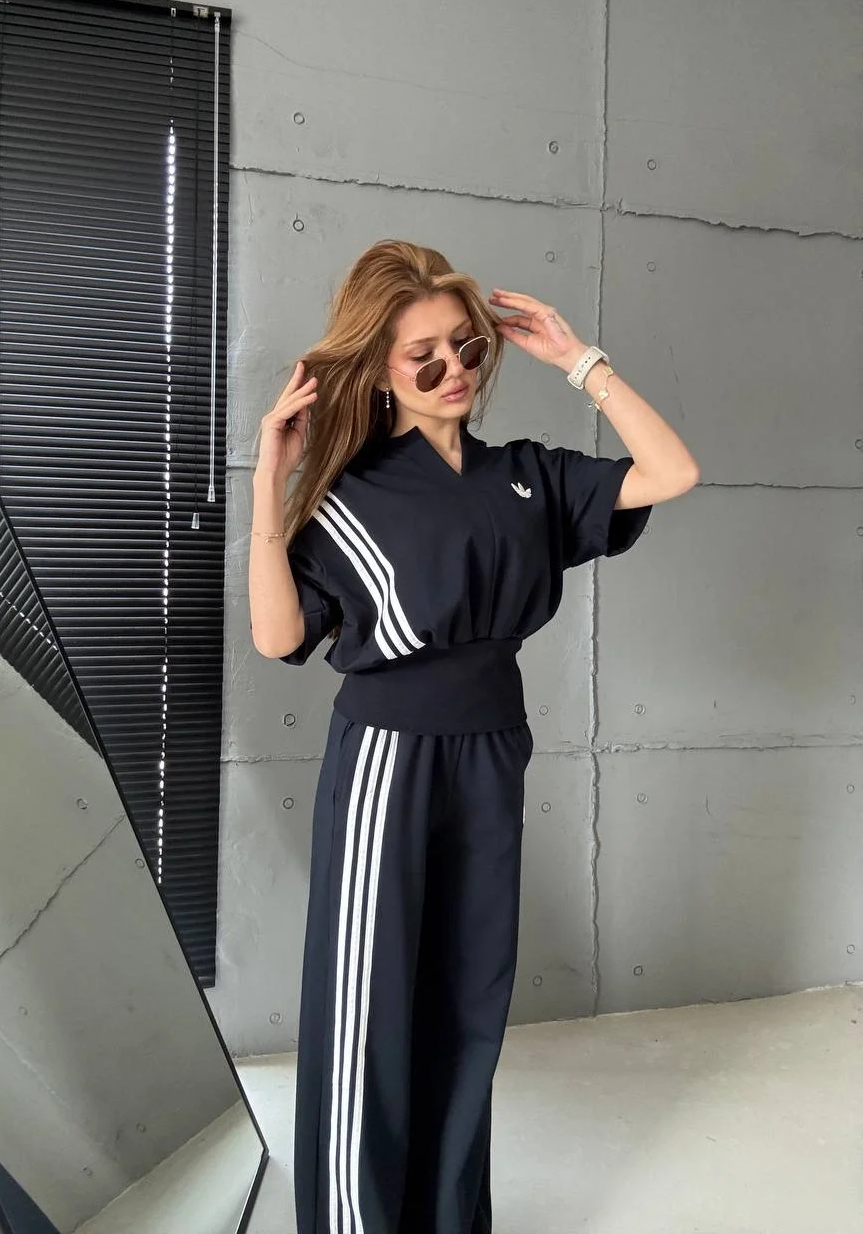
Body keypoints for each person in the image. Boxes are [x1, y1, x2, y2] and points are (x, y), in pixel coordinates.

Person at [248, 239, 699, 1234]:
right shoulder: (351, 495)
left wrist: (579, 361)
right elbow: (279, 637)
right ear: (377, 369)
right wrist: (268, 481)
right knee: (370, 1007)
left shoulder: (525, 477)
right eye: (424, 358)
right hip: (387, 760)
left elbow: (673, 471)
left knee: (467, 1001)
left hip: (492, 750)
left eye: (467, 348)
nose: (454, 370)